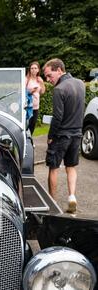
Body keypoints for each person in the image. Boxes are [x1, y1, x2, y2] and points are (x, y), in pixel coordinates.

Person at [43, 58, 85, 213]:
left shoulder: (59, 89)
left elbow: (57, 118)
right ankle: (72, 197)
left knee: (53, 168)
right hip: (77, 133)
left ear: (59, 70)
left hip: (61, 135)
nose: (48, 79)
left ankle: (52, 203)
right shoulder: (80, 84)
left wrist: (50, 136)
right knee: (71, 167)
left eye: (49, 75)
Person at [25, 61, 45, 135]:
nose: (33, 70)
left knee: (32, 126)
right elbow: (22, 92)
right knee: (26, 126)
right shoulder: (26, 79)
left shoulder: (39, 79)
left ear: (38, 70)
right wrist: (30, 92)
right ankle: (25, 142)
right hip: (27, 107)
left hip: (36, 107)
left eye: (35, 68)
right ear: (29, 70)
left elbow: (42, 92)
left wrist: (42, 83)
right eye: (32, 68)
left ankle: (30, 141)